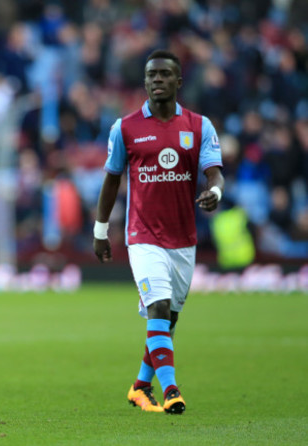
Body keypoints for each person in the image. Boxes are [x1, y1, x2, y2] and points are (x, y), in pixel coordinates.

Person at [93, 49, 224, 414]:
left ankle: (139, 385)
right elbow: (111, 180)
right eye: (151, 75)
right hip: (143, 237)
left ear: (179, 81)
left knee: (169, 319)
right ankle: (171, 391)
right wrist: (100, 230)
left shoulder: (199, 127)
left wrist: (214, 192)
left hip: (183, 240)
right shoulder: (126, 128)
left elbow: (215, 173)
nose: (157, 80)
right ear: (145, 82)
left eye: (165, 74)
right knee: (159, 306)